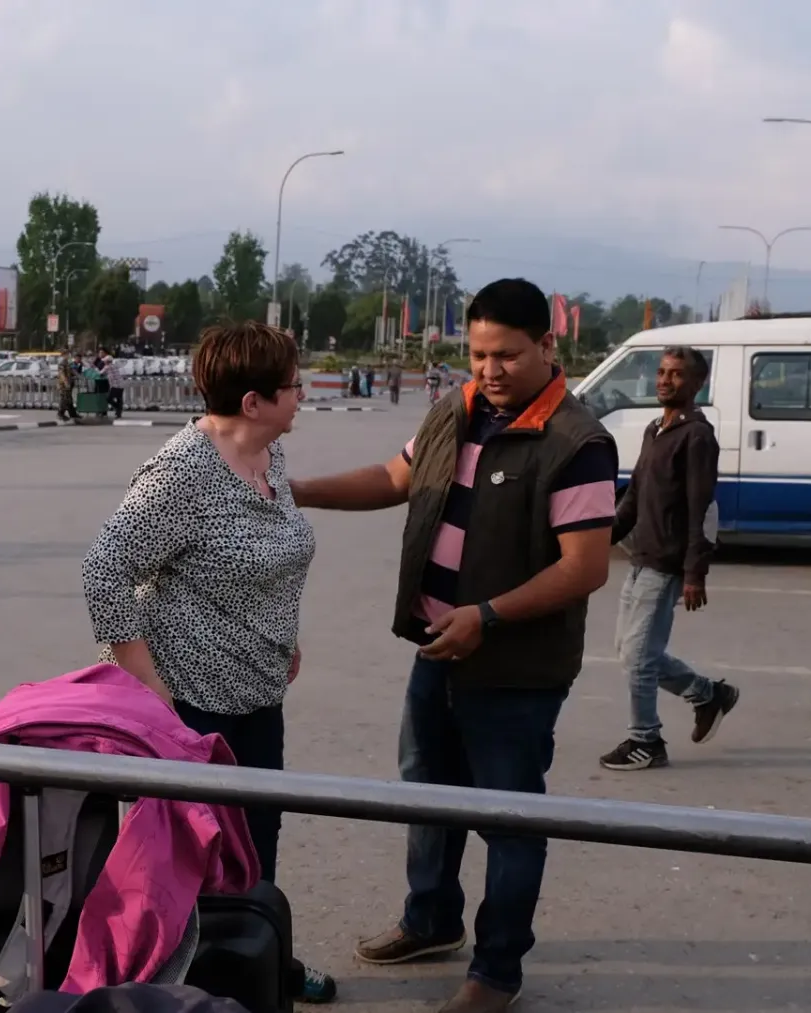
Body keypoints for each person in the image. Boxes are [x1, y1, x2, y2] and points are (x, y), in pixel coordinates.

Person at [289, 278, 617, 1013]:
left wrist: (487, 616)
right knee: (427, 794)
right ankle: (431, 919)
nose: (490, 370)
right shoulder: (456, 410)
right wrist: (299, 490)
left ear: (547, 345)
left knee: (511, 820)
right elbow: (394, 477)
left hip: (514, 670)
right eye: (478, 354)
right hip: (438, 650)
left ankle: (496, 971)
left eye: (507, 355)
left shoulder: (577, 442)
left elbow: (585, 567)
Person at [81, 320, 338, 1004]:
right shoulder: (182, 473)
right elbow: (105, 570)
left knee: (256, 839)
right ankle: (184, 985)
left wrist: (280, 633)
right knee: (187, 858)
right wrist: (147, 685)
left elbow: (269, 555)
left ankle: (260, 957)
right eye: (292, 386)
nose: (302, 395)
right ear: (253, 402)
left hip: (258, 692)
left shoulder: (268, 454)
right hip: (190, 704)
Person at [599, 345, 739, 771]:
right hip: (642, 555)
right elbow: (635, 495)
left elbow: (702, 509)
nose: (664, 380)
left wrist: (695, 572)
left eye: (676, 374)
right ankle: (708, 694)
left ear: (697, 383)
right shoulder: (655, 429)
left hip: (667, 562)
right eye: (661, 372)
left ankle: (646, 740)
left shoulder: (697, 437)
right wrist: (601, 540)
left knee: (640, 658)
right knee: (630, 652)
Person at [57, 353, 82, 421]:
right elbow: (62, 373)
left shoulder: (68, 363)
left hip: (68, 384)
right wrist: (66, 382)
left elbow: (71, 370)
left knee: (69, 399)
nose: (68, 356)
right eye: (67, 355)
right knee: (64, 399)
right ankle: (60, 414)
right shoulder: (62, 363)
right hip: (63, 385)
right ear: (63, 355)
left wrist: (79, 375)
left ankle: (73, 414)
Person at [103, 349, 126, 418]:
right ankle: (118, 412)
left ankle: (117, 408)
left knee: (109, 399)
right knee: (119, 398)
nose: (104, 362)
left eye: (105, 361)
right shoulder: (115, 365)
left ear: (107, 361)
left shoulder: (107, 367)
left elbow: (100, 373)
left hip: (115, 385)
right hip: (121, 384)